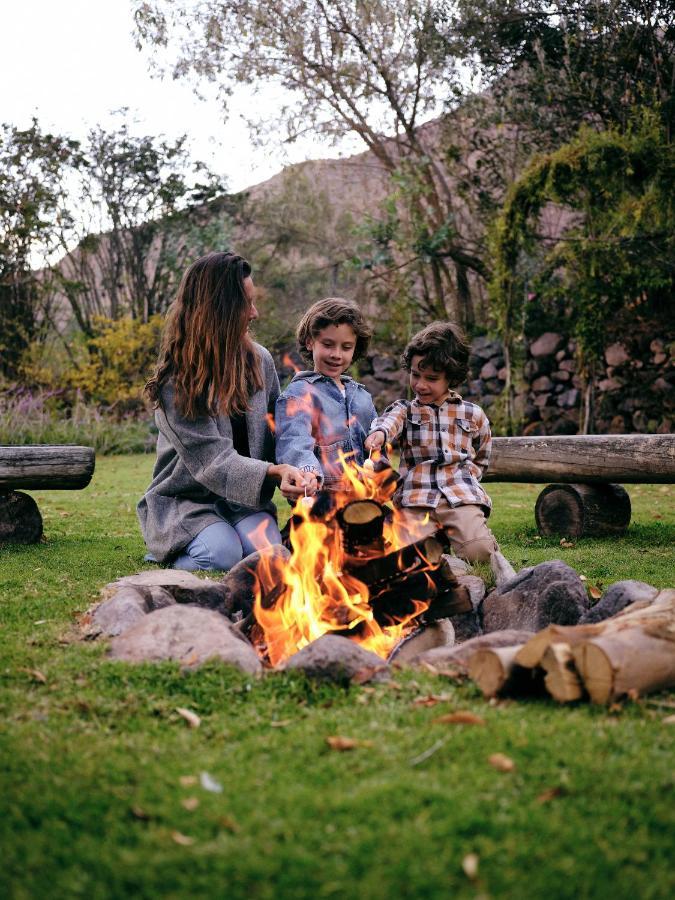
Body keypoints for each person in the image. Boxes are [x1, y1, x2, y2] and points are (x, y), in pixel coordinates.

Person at [137, 251, 309, 571]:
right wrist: (273, 472)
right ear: (220, 310)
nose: (254, 313)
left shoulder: (261, 361)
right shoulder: (177, 381)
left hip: (244, 502)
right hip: (187, 501)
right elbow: (213, 462)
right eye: (246, 303)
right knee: (221, 555)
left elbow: (280, 431)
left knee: (270, 556)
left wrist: (301, 470)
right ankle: (173, 548)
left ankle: (228, 536)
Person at [365, 321, 498, 562]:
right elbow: (388, 423)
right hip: (416, 499)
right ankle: (436, 542)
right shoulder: (405, 410)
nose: (420, 384)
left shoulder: (473, 414)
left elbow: (483, 453)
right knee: (413, 559)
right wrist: (380, 434)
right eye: (415, 375)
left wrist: (468, 477)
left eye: (432, 378)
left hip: (459, 496)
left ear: (451, 378)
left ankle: (467, 535)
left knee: (479, 552)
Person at [275, 298, 377, 493]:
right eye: (328, 344)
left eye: (346, 347)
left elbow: (376, 449)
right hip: (321, 503)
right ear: (310, 342)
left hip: (365, 502)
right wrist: (308, 472)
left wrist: (380, 473)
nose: (336, 354)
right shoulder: (299, 395)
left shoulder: (362, 397)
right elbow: (294, 441)